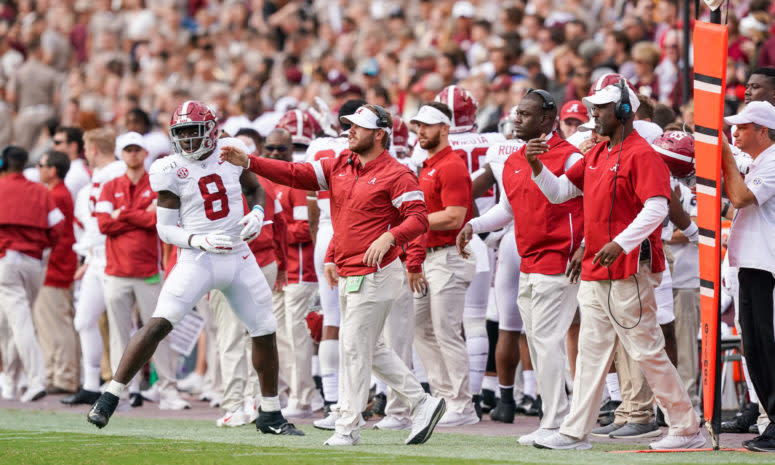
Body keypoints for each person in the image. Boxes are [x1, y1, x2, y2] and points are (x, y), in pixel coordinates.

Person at [219, 103, 446, 447]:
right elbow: (295, 173)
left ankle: (348, 426)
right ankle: (422, 402)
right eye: (349, 125)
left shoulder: (397, 173)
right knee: (370, 347)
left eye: (358, 126)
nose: (350, 130)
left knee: (354, 347)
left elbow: (418, 217)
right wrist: (250, 162)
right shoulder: (341, 163)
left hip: (378, 271)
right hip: (349, 270)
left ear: (379, 134)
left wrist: (390, 236)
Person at [86, 101, 302, 437]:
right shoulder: (169, 168)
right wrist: (198, 241)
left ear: (212, 131)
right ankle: (110, 395)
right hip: (197, 257)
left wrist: (258, 213)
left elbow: (255, 188)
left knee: (264, 329)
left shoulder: (232, 152)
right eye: (181, 133)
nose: (187, 139)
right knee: (159, 323)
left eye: (193, 131)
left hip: (239, 255)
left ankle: (270, 413)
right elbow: (165, 228)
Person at [526, 74, 703, 450]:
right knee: (591, 352)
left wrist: (621, 244)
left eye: (602, 107)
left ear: (624, 110)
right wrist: (538, 168)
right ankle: (575, 431)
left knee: (646, 349)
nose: (594, 114)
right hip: (598, 267)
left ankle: (686, 427)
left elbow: (657, 206)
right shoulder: (596, 152)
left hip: (628, 267)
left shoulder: (642, 153)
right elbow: (559, 193)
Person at [458, 89, 583, 445]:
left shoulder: (571, 156)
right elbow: (510, 210)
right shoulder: (514, 158)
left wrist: (586, 244)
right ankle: (552, 419)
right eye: (517, 113)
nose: (517, 119)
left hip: (559, 259)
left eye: (526, 115)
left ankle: (558, 421)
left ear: (547, 119)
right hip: (528, 259)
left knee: (547, 342)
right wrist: (475, 225)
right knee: (540, 341)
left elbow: (585, 199)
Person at [96, 132, 188, 410]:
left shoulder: (156, 182)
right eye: (128, 150)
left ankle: (168, 389)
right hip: (117, 270)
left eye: (137, 150)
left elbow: (156, 221)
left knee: (157, 331)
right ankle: (120, 391)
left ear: (144, 153)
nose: (133, 154)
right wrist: (138, 214)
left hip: (147, 269)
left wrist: (122, 213)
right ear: (121, 154)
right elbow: (103, 224)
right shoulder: (109, 185)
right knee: (119, 334)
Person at [411, 101, 478, 427]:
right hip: (430, 256)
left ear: (445, 128)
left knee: (446, 330)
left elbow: (455, 215)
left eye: (427, 125)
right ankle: (443, 396)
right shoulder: (429, 164)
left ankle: (462, 405)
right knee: (419, 327)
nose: (420, 131)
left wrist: (413, 221)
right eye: (418, 126)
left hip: (448, 255)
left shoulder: (450, 164)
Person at [304, 98, 366, 426]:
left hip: (326, 232)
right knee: (365, 317)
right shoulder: (366, 147)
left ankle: (332, 400)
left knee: (332, 318)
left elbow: (311, 205)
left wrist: (319, 240)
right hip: (357, 232)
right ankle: (370, 395)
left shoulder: (317, 147)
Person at [721, 100, 775, 453]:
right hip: (752, 265)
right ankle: (771, 423)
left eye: (743, 127)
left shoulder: (773, 161)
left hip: (767, 267)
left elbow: (739, 197)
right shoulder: (760, 161)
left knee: (767, 348)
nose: (735, 132)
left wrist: (723, 153)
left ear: (764, 131)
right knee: (755, 349)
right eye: (734, 127)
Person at [61, 128, 127, 407]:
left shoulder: (120, 172)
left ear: (94, 149)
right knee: (84, 320)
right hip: (96, 257)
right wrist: (88, 257)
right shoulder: (94, 181)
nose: (85, 154)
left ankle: (127, 387)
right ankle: (91, 384)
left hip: (118, 255)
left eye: (87, 148)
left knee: (125, 324)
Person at [261, 127, 320, 418]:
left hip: (299, 273)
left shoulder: (297, 182)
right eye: (269, 148)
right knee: (280, 338)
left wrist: (272, 231)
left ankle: (304, 397)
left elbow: (305, 230)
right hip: (277, 273)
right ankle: (289, 393)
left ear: (291, 151)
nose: (274, 153)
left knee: (297, 337)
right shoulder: (263, 181)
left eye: (280, 149)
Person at [0, 145, 63, 402]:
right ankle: (10, 382)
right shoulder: (40, 190)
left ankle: (36, 380)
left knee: (18, 322)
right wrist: (41, 245)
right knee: (11, 322)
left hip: (6, 260)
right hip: (33, 263)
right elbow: (58, 226)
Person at [32, 150, 78, 394]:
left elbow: (57, 236)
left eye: (41, 165)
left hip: (55, 267)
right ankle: (55, 373)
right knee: (53, 323)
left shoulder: (56, 194)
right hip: (57, 265)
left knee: (56, 324)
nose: (38, 169)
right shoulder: (57, 192)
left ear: (52, 170)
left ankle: (63, 376)